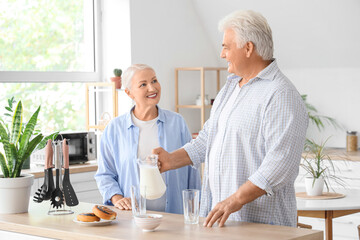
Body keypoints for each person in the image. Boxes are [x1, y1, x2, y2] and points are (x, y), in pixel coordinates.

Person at [153, 10, 308, 227]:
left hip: (262, 227)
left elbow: (280, 164)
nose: (222, 53)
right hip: (220, 221)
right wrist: (171, 160)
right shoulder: (230, 87)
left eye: (226, 46)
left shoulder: (280, 94)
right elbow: (207, 139)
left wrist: (234, 200)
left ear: (248, 48)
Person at [95, 64, 201, 214]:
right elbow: (105, 174)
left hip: (175, 216)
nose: (152, 88)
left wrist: (196, 209)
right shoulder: (114, 128)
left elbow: (192, 167)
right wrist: (117, 198)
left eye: (154, 81)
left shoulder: (177, 122)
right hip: (132, 219)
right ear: (129, 92)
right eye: (143, 84)